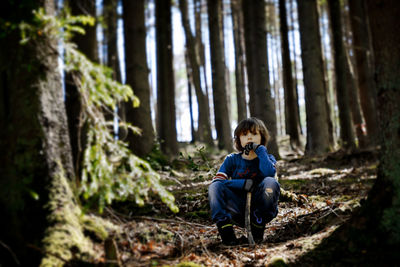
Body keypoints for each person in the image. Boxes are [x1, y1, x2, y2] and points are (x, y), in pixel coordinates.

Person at [208, 117, 280, 245]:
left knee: (270, 182)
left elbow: (270, 175)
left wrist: (261, 151)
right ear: (238, 139)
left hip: (260, 206)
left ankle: (257, 227)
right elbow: (217, 182)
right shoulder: (231, 159)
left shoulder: (268, 158)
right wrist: (243, 184)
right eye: (245, 134)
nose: (249, 138)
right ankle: (226, 231)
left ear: (262, 137)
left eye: (254, 134)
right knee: (214, 187)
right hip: (237, 207)